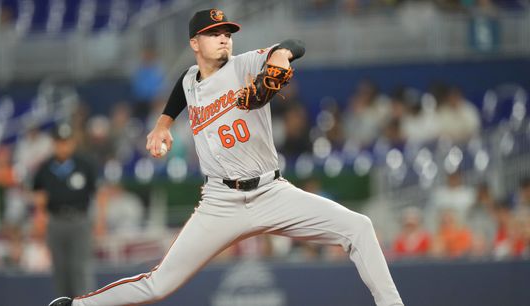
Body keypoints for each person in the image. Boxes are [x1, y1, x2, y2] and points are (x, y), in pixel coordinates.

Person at [48, 9, 404, 306]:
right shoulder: (189, 79)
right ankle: (77, 305)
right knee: (158, 284)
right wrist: (162, 125)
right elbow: (180, 92)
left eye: (226, 33)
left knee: (359, 227)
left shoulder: (245, 64)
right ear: (194, 43)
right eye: (213, 33)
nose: (223, 38)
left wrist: (281, 55)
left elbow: (295, 46)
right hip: (221, 201)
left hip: (271, 192)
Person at [34, 124, 98, 300]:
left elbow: (98, 193)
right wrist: (39, 220)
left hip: (80, 220)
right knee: (60, 269)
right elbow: (39, 195)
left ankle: (85, 303)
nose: (63, 146)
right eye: (59, 142)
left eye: (66, 142)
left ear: (73, 142)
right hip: (55, 221)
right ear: (53, 143)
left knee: (81, 268)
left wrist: (100, 221)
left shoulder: (85, 164)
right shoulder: (45, 167)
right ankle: (63, 303)